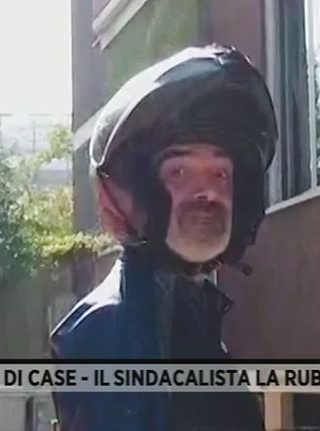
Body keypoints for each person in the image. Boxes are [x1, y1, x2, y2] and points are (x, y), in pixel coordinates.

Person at [50, 45, 277, 431]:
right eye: (180, 172)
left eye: (220, 173)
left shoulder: (183, 320)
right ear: (133, 191)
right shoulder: (114, 331)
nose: (206, 193)